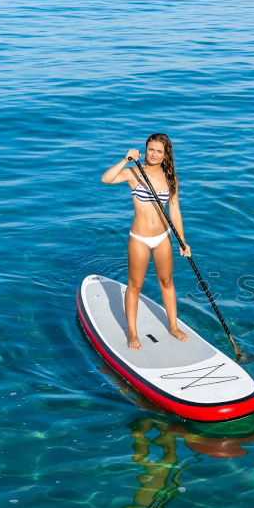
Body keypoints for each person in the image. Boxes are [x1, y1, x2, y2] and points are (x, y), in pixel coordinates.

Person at [101, 133, 191, 349]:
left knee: (167, 282)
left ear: (165, 154)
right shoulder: (134, 173)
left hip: (163, 237)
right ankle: (132, 332)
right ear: (145, 150)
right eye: (151, 149)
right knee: (135, 286)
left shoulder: (171, 178)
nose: (154, 154)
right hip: (140, 238)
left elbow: (175, 210)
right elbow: (106, 179)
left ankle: (173, 326)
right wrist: (125, 159)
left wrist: (182, 241)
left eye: (159, 151)